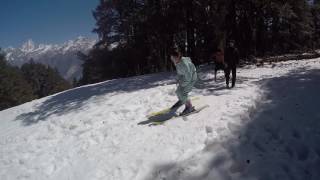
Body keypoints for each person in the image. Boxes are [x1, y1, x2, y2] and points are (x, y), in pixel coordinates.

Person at [169, 48, 198, 116]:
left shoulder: (184, 64)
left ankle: (189, 107)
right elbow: (180, 72)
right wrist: (179, 79)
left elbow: (188, 77)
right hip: (184, 78)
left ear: (178, 57)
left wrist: (182, 84)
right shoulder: (177, 62)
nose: (172, 60)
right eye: (171, 58)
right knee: (178, 91)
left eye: (173, 58)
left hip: (191, 79)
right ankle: (182, 100)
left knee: (183, 92)